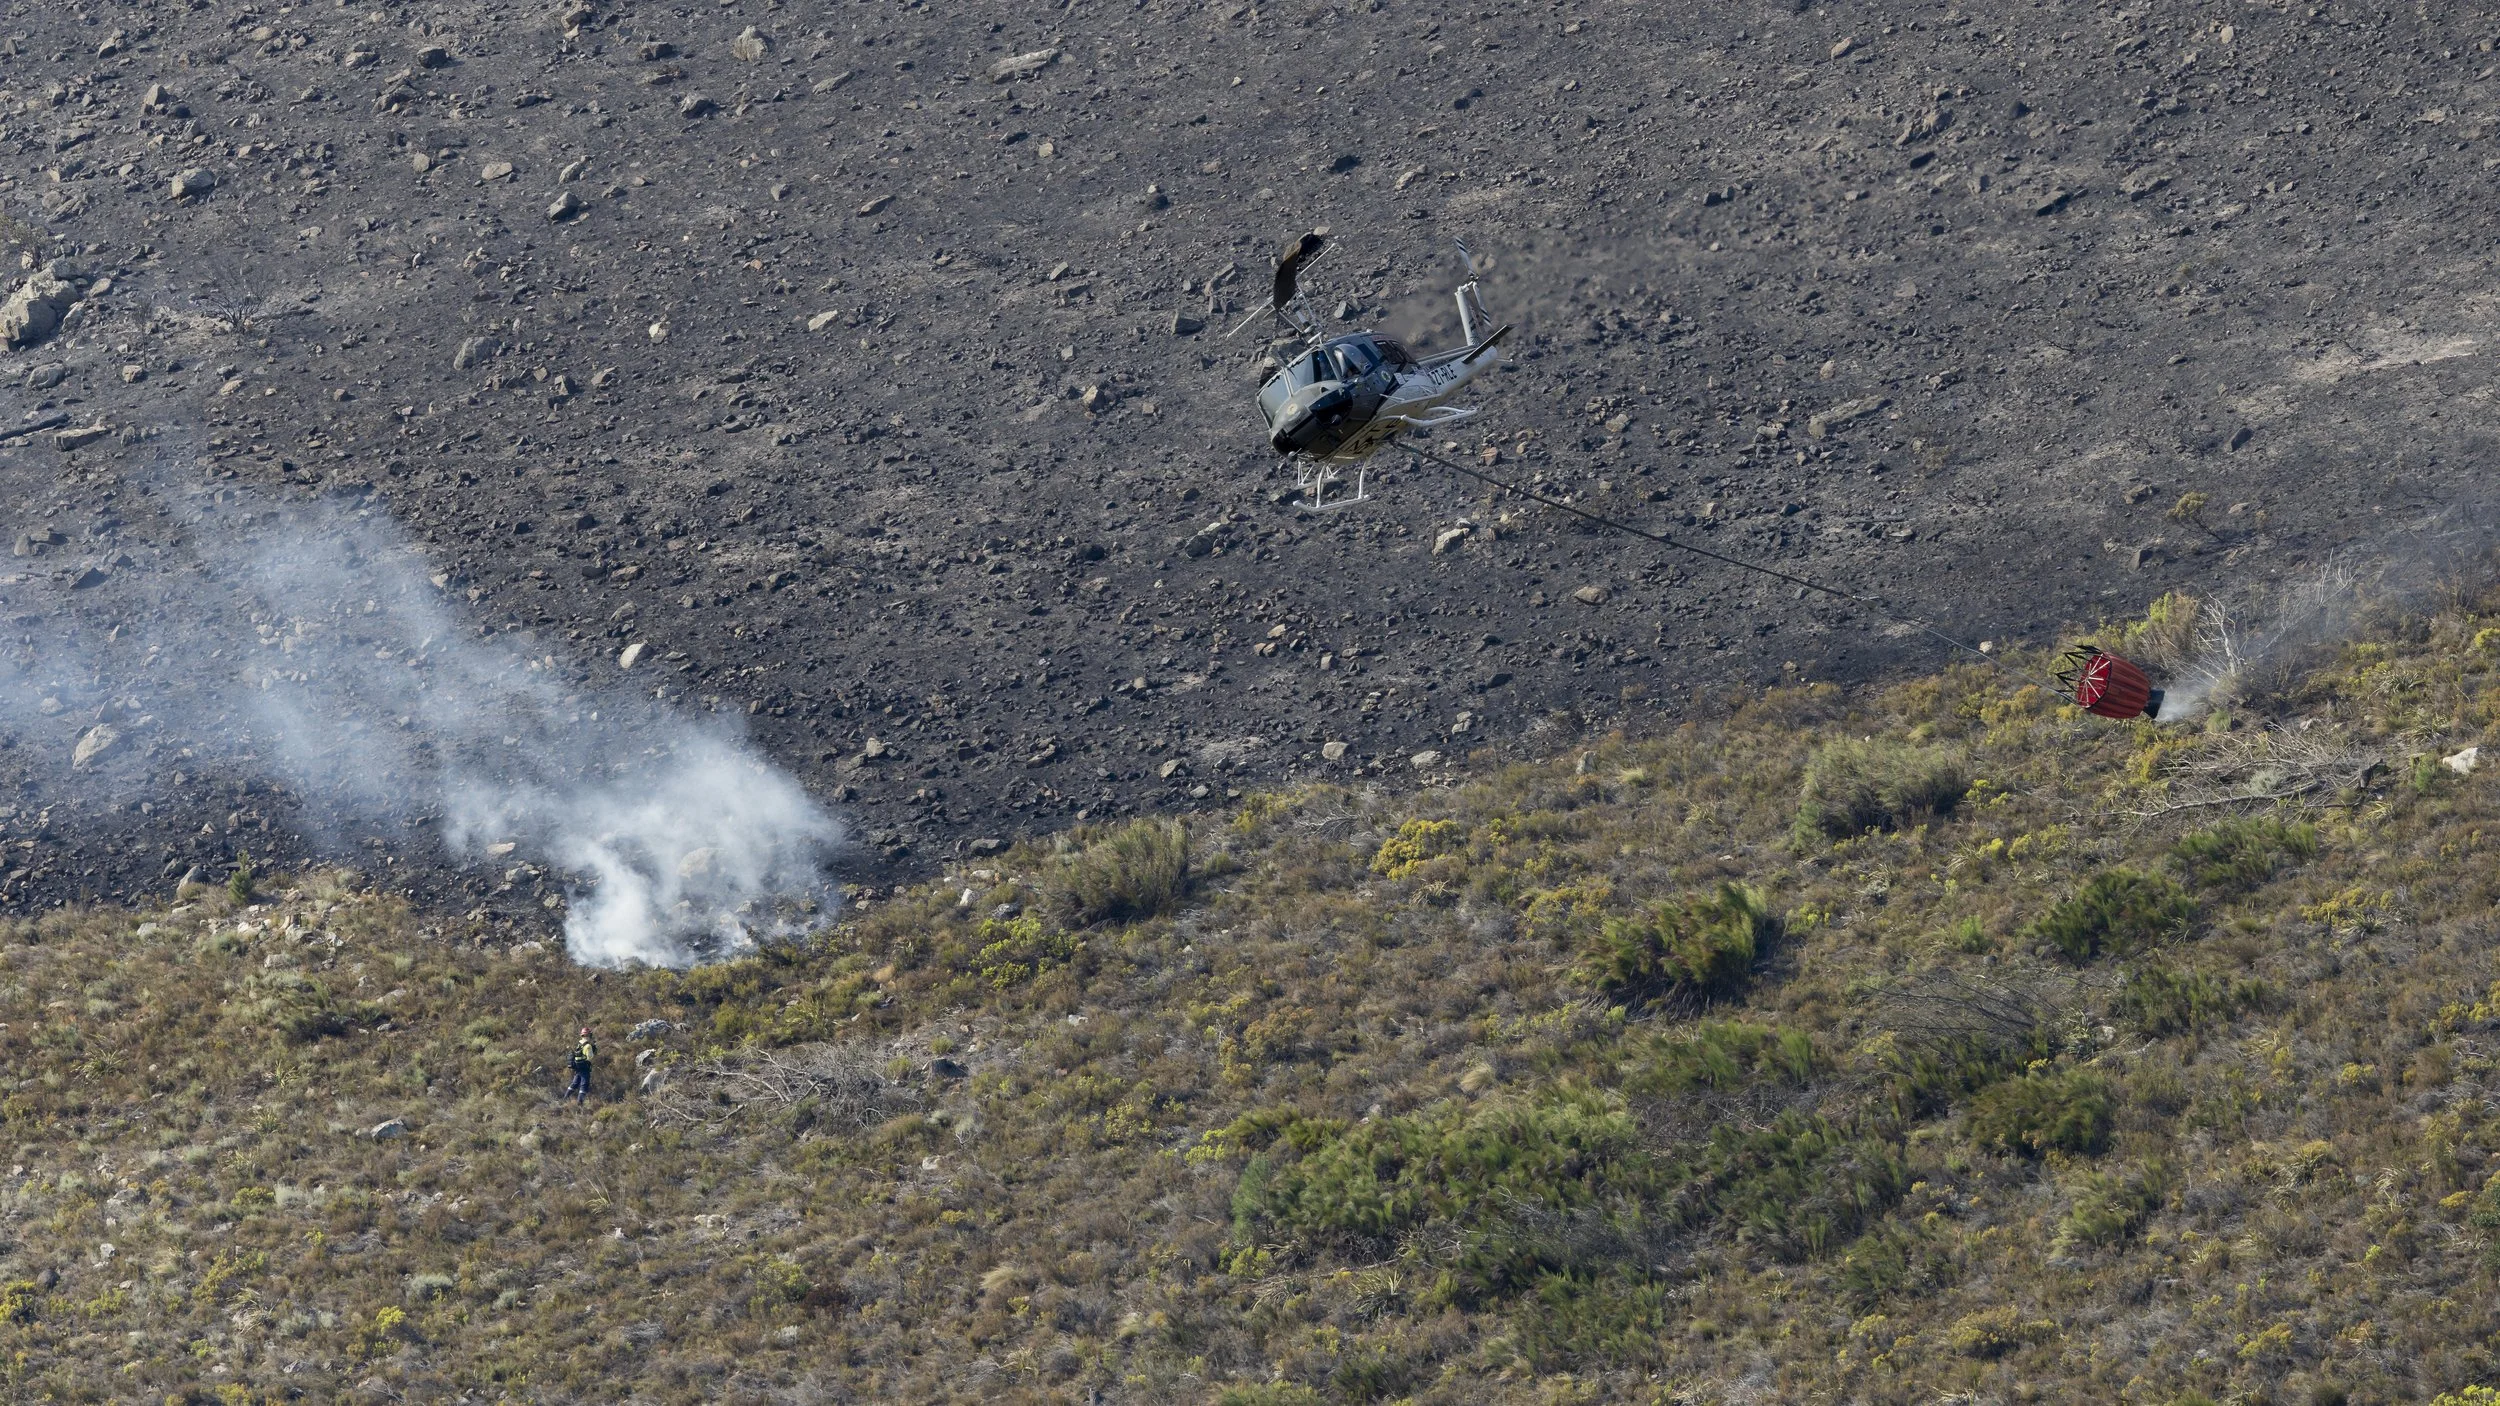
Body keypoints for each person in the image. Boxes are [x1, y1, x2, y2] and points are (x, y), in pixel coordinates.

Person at [567, 1027, 596, 1104]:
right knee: (584, 1085)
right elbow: (590, 1057)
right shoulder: (588, 1046)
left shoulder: (579, 1043)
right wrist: (593, 1047)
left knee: (575, 1083)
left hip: (577, 1067)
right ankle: (580, 1103)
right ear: (589, 1035)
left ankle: (565, 1098)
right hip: (584, 1068)